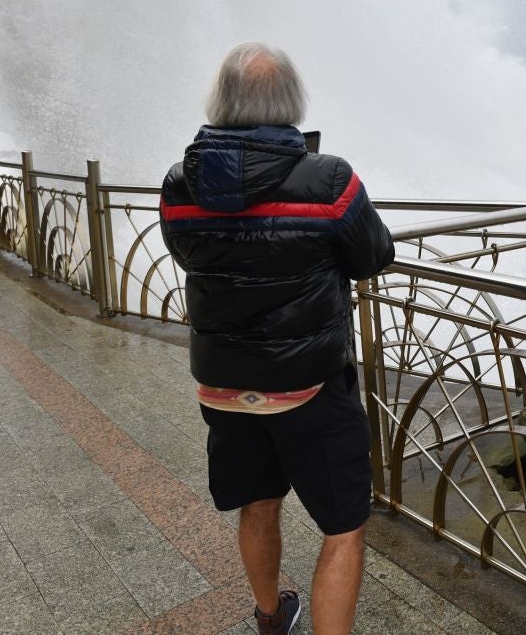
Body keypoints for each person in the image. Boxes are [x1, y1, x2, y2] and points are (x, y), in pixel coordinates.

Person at [160, 42, 395, 635]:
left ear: (222, 101)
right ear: (291, 103)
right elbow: (373, 256)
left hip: (222, 383)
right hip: (307, 385)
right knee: (343, 527)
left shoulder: (179, 182)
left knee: (257, 501)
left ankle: (271, 617)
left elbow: (184, 251)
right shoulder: (328, 179)